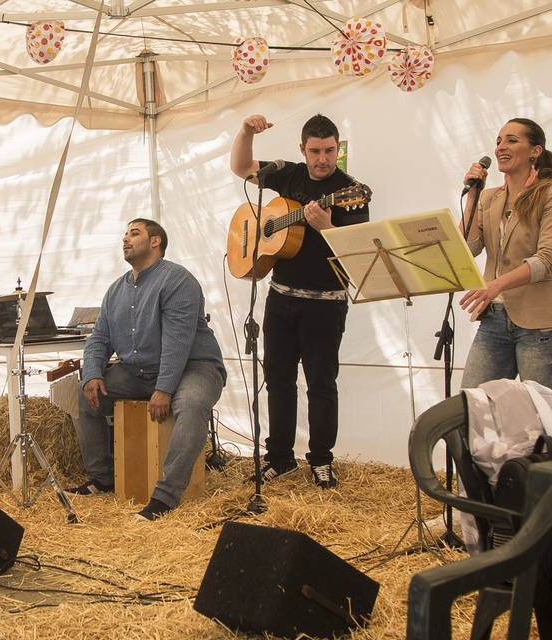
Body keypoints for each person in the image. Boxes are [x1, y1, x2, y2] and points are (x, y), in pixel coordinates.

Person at [230, 113, 369, 489]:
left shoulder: (352, 192)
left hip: (326, 303)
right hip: (280, 298)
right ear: (302, 150)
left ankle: (321, 460)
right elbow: (241, 166)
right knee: (278, 380)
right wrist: (245, 131)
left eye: (329, 150)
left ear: (337, 149)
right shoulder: (287, 174)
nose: (322, 159)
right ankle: (280, 458)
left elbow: (357, 256)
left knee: (322, 384)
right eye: (315, 151)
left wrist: (325, 226)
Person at [69, 218, 226, 520]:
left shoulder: (178, 280)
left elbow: (177, 343)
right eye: (125, 234)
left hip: (195, 367)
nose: (125, 239)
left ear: (156, 241)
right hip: (139, 372)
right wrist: (92, 374)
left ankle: (165, 497)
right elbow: (99, 338)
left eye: (134, 233)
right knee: (84, 394)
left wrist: (164, 390)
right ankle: (102, 478)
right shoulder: (115, 290)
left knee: (192, 404)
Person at [458, 118, 552, 393]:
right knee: (474, 404)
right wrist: (473, 196)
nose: (500, 147)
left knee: (538, 417)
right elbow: (468, 248)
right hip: (494, 319)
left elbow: (548, 259)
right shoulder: (488, 198)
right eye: (498, 141)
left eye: (512, 140)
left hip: (542, 326)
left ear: (535, 150)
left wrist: (497, 284)